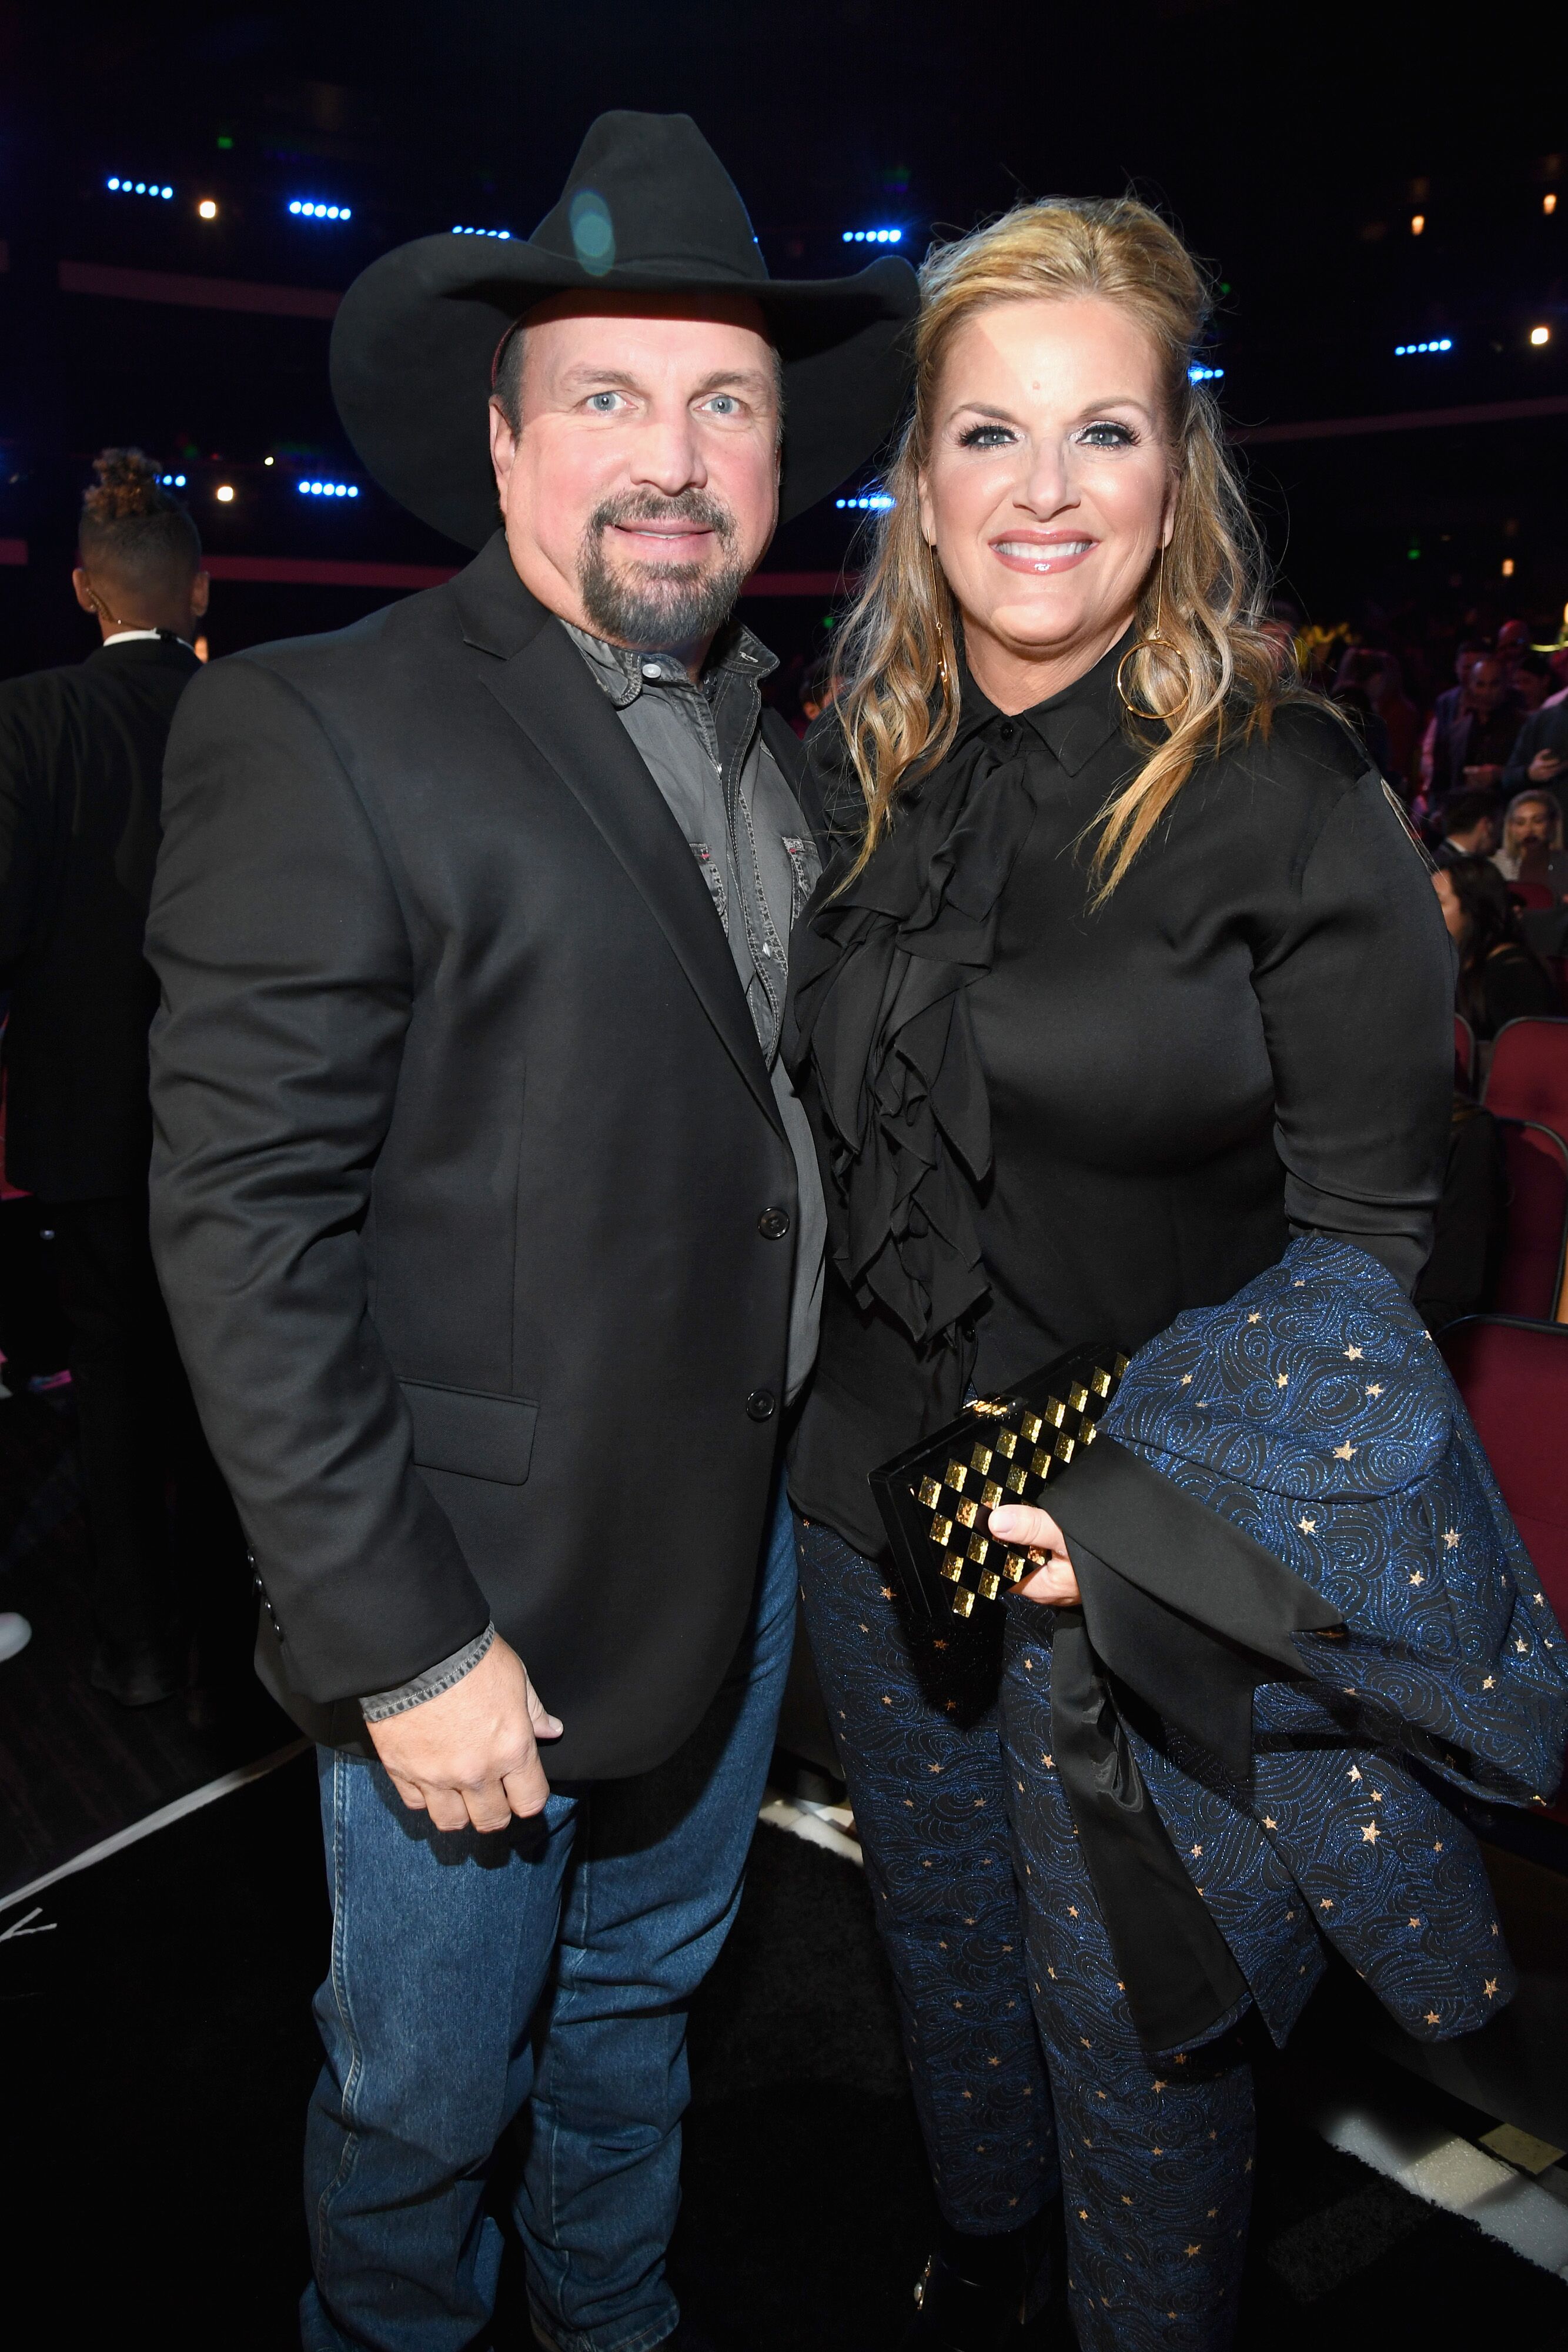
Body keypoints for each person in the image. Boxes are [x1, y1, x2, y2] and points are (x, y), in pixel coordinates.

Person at [145, 112, 915, 2352]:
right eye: (603, 395)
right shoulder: (321, 726)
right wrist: (404, 1636)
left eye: (724, 403)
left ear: (779, 459)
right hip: (468, 1611)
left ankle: (612, 2320)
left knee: (640, 2016)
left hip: (731, 1553)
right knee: (418, 2104)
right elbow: (245, 1226)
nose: (668, 457)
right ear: (497, 440)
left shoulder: (781, 744)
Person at [780, 196, 1522, 2352]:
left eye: (1097, 433)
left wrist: (1140, 1514)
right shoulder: (838, 779)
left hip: (1144, 1549)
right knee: (942, 1954)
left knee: (1145, 2038)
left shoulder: (1290, 798)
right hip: (859, 1513)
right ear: (916, 478)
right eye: (986, 435)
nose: (1039, 491)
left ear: (1173, 474)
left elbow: (1391, 1238)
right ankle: (977, 2247)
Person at [0, 451, 248, 1707]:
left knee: (115, 1385)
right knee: (232, 1384)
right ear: (196, 595)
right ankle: (228, 1645)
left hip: (88, 1124)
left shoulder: (31, 719)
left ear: (88, 591)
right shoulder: (252, 715)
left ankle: (142, 1645)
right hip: (243, 1122)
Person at [1432, 856, 1560, 1038]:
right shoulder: (1451, 965)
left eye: (1438, 903)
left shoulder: (1514, 973)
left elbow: (1526, 1053)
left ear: (1473, 909)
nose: (1426, 912)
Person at [1423, 653, 1525, 800]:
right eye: (1480, 684)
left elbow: (1531, 773)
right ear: (1470, 685)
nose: (1487, 692)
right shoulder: (1457, 731)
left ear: (1505, 684)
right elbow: (1441, 780)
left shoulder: (1524, 726)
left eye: (1494, 684)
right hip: (1465, 812)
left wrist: (1502, 774)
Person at [1492, 787, 1568, 896]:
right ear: (1510, 827)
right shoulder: (1496, 865)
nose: (1529, 830)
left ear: (1553, 824)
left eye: (1538, 821)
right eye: (1520, 823)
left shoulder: (1564, 864)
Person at [1431, 784, 1501, 864]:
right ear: (1486, 825)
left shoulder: (1432, 863)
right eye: (1498, 826)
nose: (1498, 837)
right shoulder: (1452, 871)